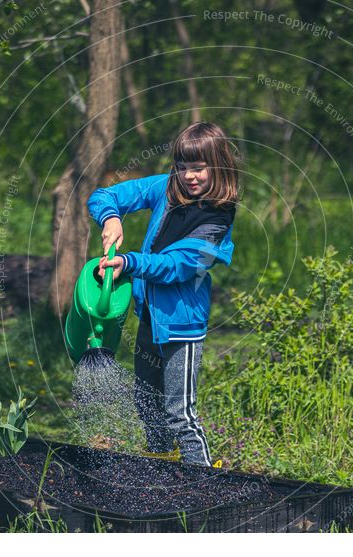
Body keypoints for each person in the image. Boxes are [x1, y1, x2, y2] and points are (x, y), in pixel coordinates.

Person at [87, 121, 239, 467]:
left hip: (182, 326)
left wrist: (127, 262)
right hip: (151, 319)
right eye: (182, 167)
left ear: (218, 165)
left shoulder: (217, 219)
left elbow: (175, 266)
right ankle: (162, 468)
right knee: (147, 403)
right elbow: (105, 195)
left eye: (198, 168)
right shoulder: (165, 188)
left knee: (178, 414)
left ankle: (202, 484)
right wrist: (111, 218)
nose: (189, 176)